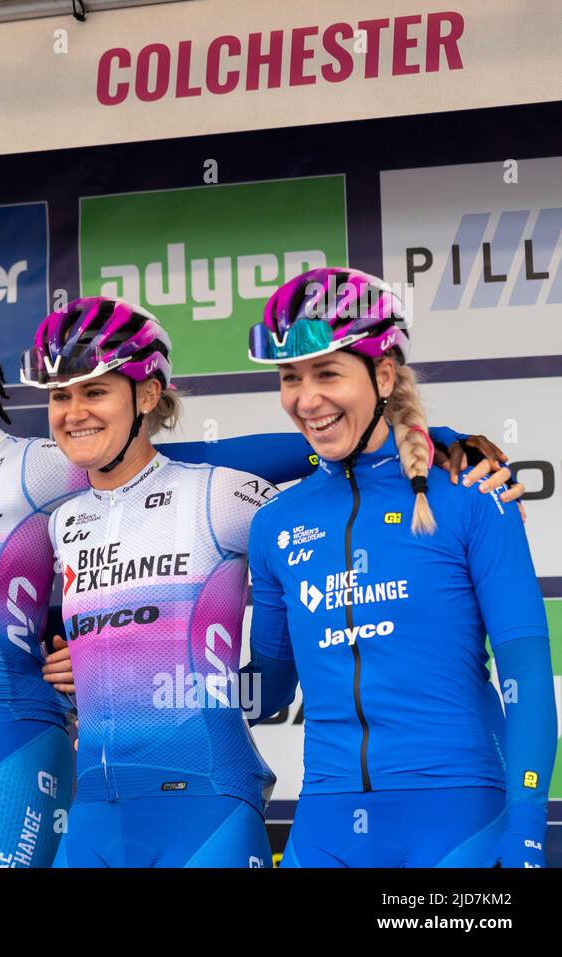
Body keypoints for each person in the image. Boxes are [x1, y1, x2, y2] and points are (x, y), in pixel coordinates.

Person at [0, 273, 522, 869]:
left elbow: (210, 460)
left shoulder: (55, 467)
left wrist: (434, 437)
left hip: (186, 789)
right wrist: (75, 653)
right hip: (76, 792)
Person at [244, 267, 556, 867]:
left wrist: (526, 824)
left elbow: (527, 677)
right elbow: (270, 690)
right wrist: (140, 676)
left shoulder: (471, 492)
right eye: (290, 378)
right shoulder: (275, 524)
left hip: (459, 816)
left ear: (384, 374)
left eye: (328, 373)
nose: (306, 400)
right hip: (325, 819)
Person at [22, 296, 278, 867]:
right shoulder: (65, 519)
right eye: (60, 396)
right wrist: (84, 655)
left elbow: (327, 525)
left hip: (205, 801)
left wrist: (434, 444)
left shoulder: (216, 493)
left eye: (94, 391)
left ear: (147, 394)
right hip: (94, 810)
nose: (73, 411)